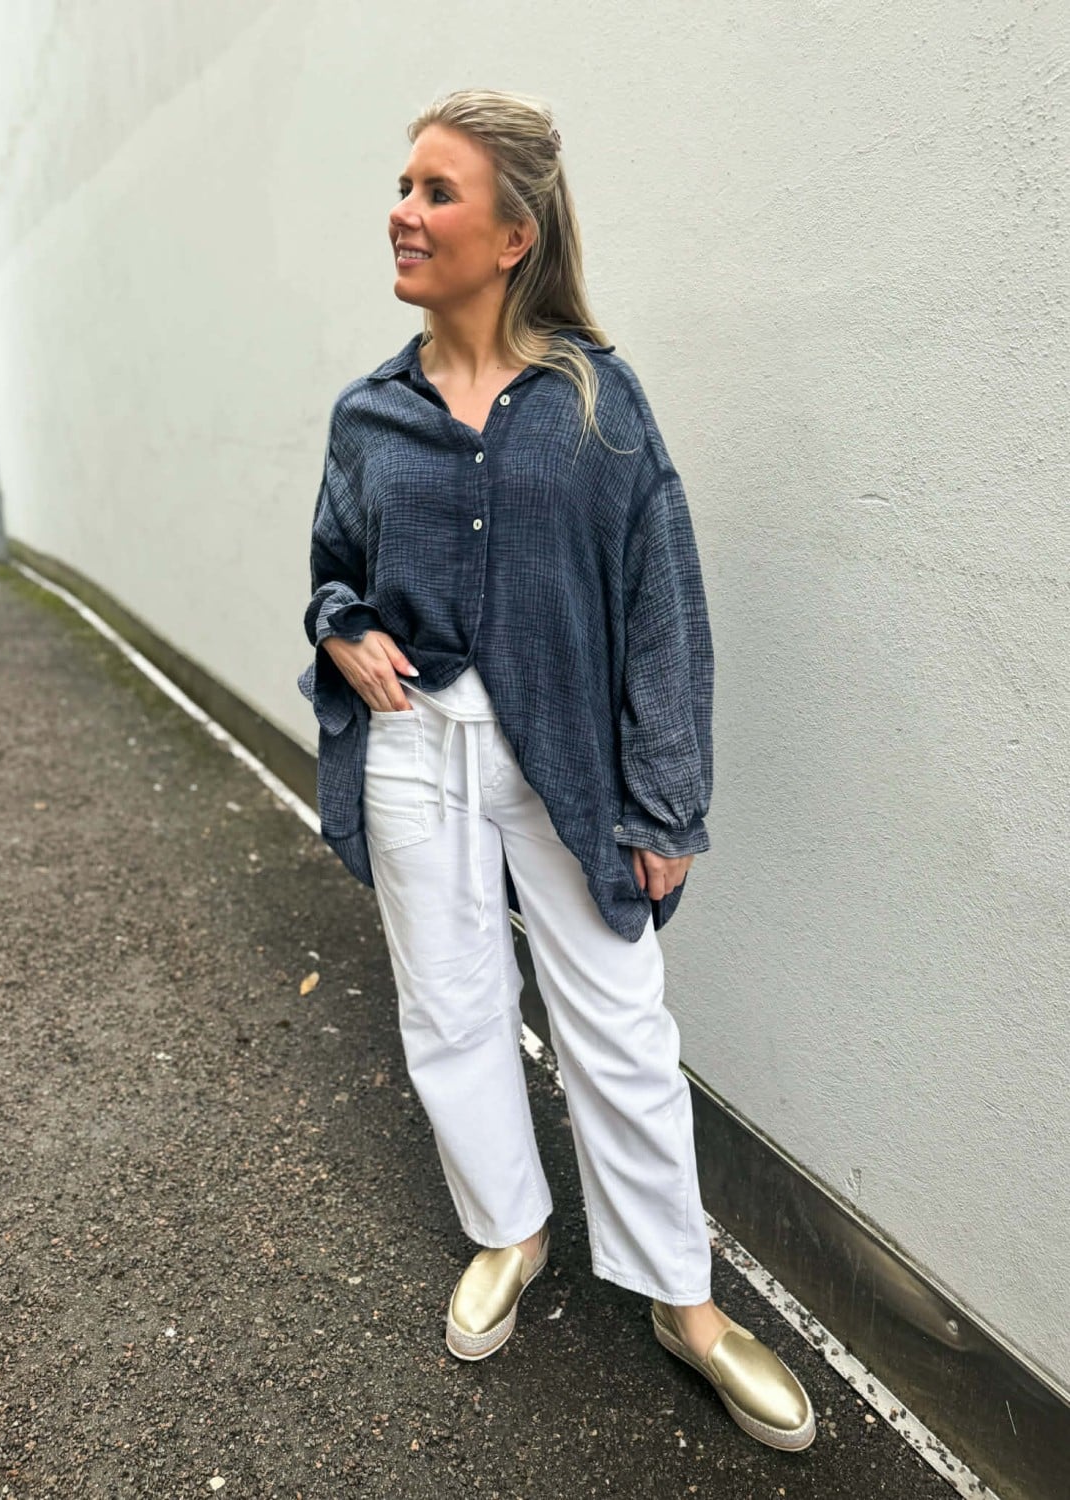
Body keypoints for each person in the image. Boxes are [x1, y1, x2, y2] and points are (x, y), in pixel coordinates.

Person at [297, 88, 815, 1453]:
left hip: (565, 760)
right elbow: (333, 573)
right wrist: (342, 630)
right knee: (450, 1006)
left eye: (437, 192)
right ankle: (510, 1231)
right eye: (403, 186)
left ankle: (683, 1304)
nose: (403, 213)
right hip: (415, 749)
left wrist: (667, 803)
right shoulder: (368, 415)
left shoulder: (597, 402)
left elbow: (662, 605)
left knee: (622, 1030)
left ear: (514, 234)